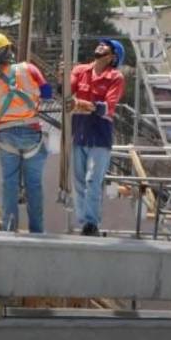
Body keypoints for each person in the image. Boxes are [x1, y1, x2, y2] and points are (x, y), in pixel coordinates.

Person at [0, 32, 53, 233]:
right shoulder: (29, 68)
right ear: (9, 49)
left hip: (5, 137)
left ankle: (9, 229)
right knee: (34, 185)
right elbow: (47, 94)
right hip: (31, 132)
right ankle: (37, 231)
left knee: (10, 185)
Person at [70, 38, 125, 236]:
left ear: (112, 56)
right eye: (100, 44)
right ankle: (84, 220)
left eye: (106, 45)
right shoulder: (80, 71)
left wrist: (85, 105)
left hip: (100, 136)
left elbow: (108, 106)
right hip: (80, 132)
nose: (100, 45)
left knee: (93, 180)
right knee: (78, 181)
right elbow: (68, 92)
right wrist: (62, 81)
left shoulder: (115, 77)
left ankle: (91, 223)